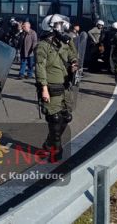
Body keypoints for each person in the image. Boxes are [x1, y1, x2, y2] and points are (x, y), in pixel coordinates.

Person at [36, 14, 78, 159]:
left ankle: (49, 143)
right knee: (54, 117)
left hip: (65, 83)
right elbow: (40, 67)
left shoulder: (64, 42)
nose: (61, 27)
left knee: (66, 116)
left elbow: (73, 55)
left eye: (61, 24)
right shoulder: (43, 45)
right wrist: (44, 88)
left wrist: (73, 63)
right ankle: (56, 150)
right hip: (51, 85)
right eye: (58, 24)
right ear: (50, 26)